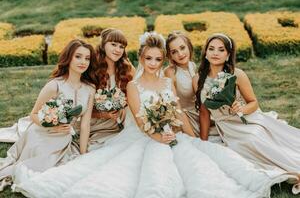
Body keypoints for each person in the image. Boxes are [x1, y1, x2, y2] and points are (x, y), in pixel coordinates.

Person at [11, 32, 293, 198]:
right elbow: (141, 117)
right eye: (149, 58)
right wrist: (159, 134)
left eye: (159, 59)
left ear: (163, 60)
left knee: (203, 162)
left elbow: (178, 112)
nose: (154, 63)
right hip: (143, 136)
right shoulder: (133, 86)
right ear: (142, 58)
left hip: (172, 133)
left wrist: (196, 140)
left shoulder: (167, 81)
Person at [193, 33, 300, 194]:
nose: (215, 53)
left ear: (228, 55)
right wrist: (203, 141)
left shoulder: (238, 74)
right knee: (240, 148)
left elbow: (254, 103)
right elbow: (204, 112)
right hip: (227, 128)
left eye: (221, 50)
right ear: (205, 53)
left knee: (253, 138)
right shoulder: (197, 79)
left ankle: (293, 167)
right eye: (211, 49)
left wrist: (241, 109)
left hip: (247, 119)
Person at [0, 39, 96, 190]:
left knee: (71, 168)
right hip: (42, 133)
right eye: (78, 56)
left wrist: (83, 154)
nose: (83, 61)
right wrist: (53, 126)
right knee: (40, 169)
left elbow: (85, 125)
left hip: (64, 137)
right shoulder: (55, 85)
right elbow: (34, 114)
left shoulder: (90, 89)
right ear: (68, 57)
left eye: (87, 58)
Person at [74, 28, 135, 151]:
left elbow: (136, 95)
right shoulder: (92, 69)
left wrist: (123, 106)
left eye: (121, 47)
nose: (118, 50)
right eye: (113, 44)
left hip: (118, 121)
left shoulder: (127, 68)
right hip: (95, 121)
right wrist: (103, 114)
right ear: (103, 45)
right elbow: (82, 106)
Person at [164, 31, 220, 141]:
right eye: (174, 52)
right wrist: (193, 138)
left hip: (200, 113)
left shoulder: (192, 65)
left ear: (189, 46)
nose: (180, 54)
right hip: (185, 119)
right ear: (170, 55)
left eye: (182, 48)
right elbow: (175, 107)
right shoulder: (170, 72)